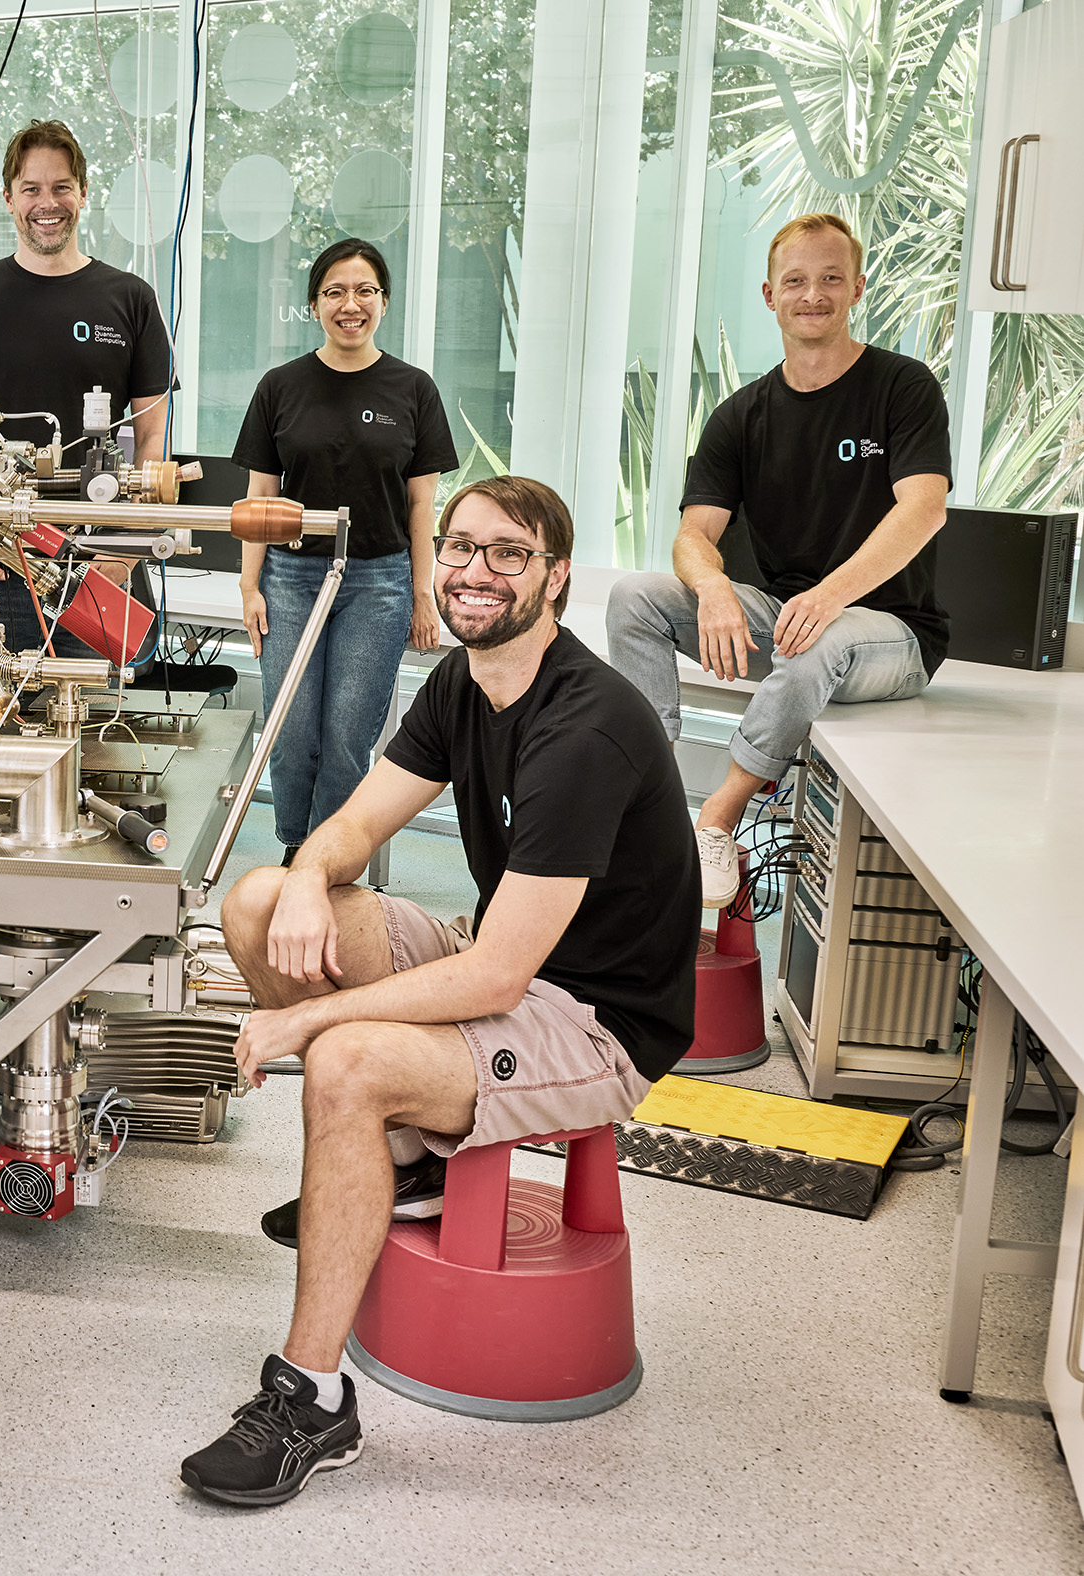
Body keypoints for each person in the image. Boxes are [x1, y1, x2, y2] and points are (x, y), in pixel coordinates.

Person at [180, 475, 696, 1509]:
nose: (473, 570)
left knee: (345, 1060)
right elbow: (357, 823)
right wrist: (310, 880)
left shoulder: (583, 728)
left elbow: (499, 976)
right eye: (459, 546)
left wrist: (305, 1014)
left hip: (593, 1018)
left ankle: (312, 1402)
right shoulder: (464, 681)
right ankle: (410, 1166)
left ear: (555, 576)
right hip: (508, 960)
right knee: (257, 900)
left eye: (508, 553)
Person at [606, 211, 950, 905]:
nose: (812, 294)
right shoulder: (741, 415)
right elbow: (693, 535)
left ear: (857, 288)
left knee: (816, 636)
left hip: (893, 636)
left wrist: (828, 597)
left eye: (831, 279)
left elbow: (924, 510)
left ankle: (717, 818)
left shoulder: (903, 386)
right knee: (633, 598)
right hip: (792, 625)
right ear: (770, 295)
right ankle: (652, 801)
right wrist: (713, 589)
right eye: (795, 281)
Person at [233, 238, 454, 860]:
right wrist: (249, 586)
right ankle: (294, 848)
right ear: (314, 304)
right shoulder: (281, 386)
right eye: (334, 292)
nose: (349, 304)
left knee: (347, 737)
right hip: (289, 577)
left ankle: (327, 861)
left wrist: (422, 595)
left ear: (384, 302)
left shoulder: (413, 388)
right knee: (291, 729)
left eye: (364, 291)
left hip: (378, 583)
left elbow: (421, 507)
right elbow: (260, 496)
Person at [0, 118, 175, 662]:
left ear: (83, 193)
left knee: (90, 711)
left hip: (95, 562)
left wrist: (123, 551)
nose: (47, 203)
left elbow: (152, 441)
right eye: (31, 189)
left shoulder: (131, 299)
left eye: (61, 187)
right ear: (8, 198)